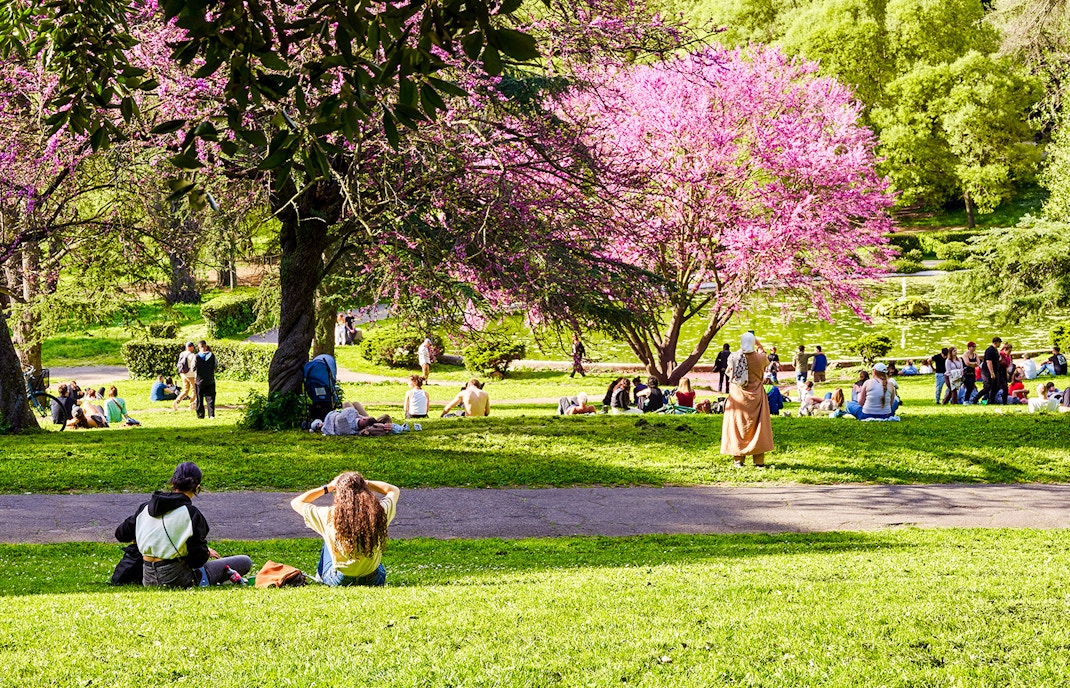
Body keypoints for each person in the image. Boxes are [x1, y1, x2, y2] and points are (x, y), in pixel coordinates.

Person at [115, 462, 252, 587]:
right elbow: (197, 560)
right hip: (176, 578)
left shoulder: (145, 508)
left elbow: (120, 533)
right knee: (245, 561)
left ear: (173, 483)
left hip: (148, 578)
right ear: (197, 487)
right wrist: (206, 552)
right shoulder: (191, 514)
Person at [290, 472, 399, 587]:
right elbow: (394, 490)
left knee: (328, 539)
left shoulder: (328, 515)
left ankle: (320, 577)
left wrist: (329, 486)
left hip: (340, 580)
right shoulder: (379, 512)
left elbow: (296, 502)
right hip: (374, 579)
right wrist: (365, 483)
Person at [722, 332, 774, 468]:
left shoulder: (734, 357)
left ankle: (738, 459)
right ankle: (759, 461)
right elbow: (765, 356)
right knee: (758, 427)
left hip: (737, 397)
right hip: (756, 396)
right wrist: (759, 344)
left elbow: (729, 372)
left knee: (737, 427)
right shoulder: (760, 358)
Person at [172, 342, 198, 411]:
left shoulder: (182, 354)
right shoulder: (192, 355)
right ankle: (191, 405)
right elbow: (194, 365)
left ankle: (176, 402)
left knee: (186, 390)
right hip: (191, 375)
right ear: (191, 347)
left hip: (183, 374)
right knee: (194, 390)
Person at [194, 340, 217, 419]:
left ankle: (200, 415)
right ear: (206, 346)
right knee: (210, 398)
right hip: (210, 379)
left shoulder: (196, 356)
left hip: (199, 381)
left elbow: (193, 367)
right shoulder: (212, 355)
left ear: (199, 347)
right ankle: (211, 415)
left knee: (199, 399)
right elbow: (216, 365)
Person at [981, 336, 1002, 405]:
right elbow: (989, 362)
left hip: (996, 370)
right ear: (996, 343)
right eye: (999, 343)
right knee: (987, 387)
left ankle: (991, 401)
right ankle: (977, 399)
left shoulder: (995, 350)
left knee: (996, 387)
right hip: (987, 371)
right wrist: (991, 373)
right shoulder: (989, 350)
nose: (1000, 344)